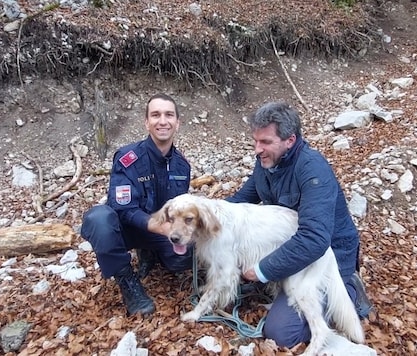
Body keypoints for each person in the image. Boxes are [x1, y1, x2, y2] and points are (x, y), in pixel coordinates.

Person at [226, 102, 373, 347]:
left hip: (330, 257)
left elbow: (314, 239)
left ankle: (349, 291)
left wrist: (261, 269)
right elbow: (240, 201)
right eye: (255, 141)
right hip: (293, 252)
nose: (256, 149)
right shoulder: (266, 162)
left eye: (265, 142)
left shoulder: (312, 169)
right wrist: (203, 215)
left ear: (290, 140)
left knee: (281, 333)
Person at [80, 93, 192, 316]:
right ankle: (127, 281)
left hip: (162, 231)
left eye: (169, 115)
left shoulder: (182, 166)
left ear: (177, 123)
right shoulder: (127, 158)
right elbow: (123, 209)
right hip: (128, 230)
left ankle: (150, 253)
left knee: (184, 260)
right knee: (98, 219)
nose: (163, 121)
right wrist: (157, 226)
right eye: (156, 115)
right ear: (147, 122)